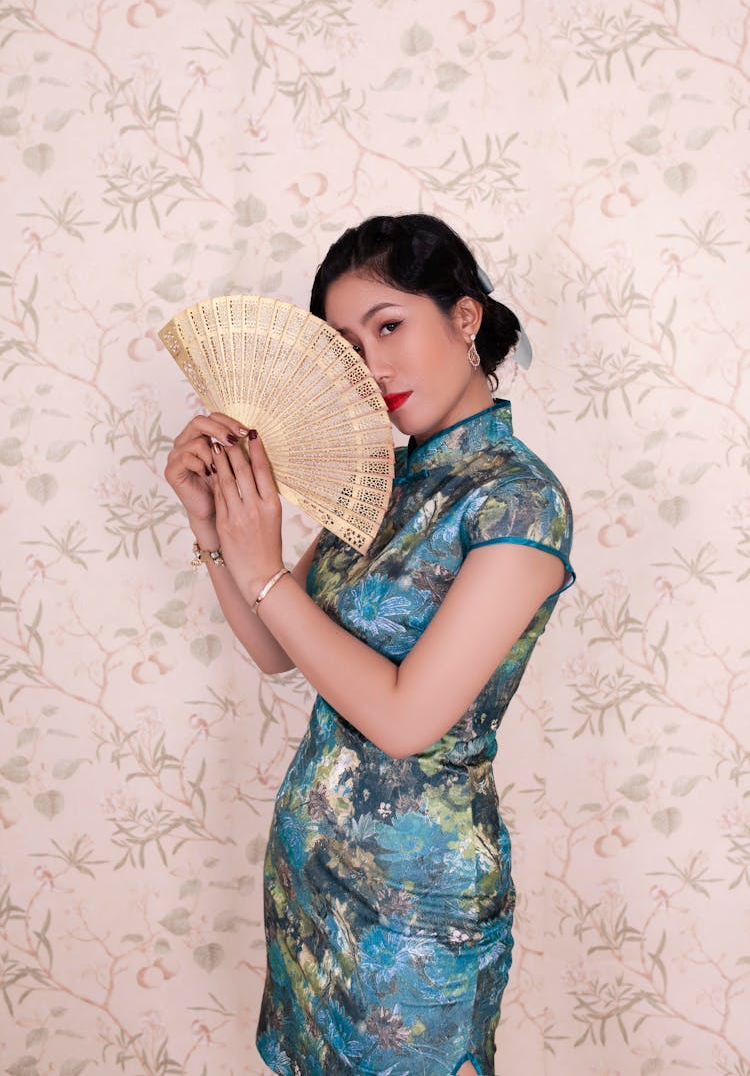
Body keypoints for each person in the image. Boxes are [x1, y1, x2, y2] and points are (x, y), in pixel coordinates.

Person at [164, 213, 575, 1076]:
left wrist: (263, 567)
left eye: (389, 325)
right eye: (347, 346)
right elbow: (279, 650)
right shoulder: (379, 480)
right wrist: (213, 529)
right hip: (312, 896)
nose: (372, 366)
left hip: (415, 921)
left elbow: (403, 719)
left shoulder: (517, 502)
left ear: (465, 318)